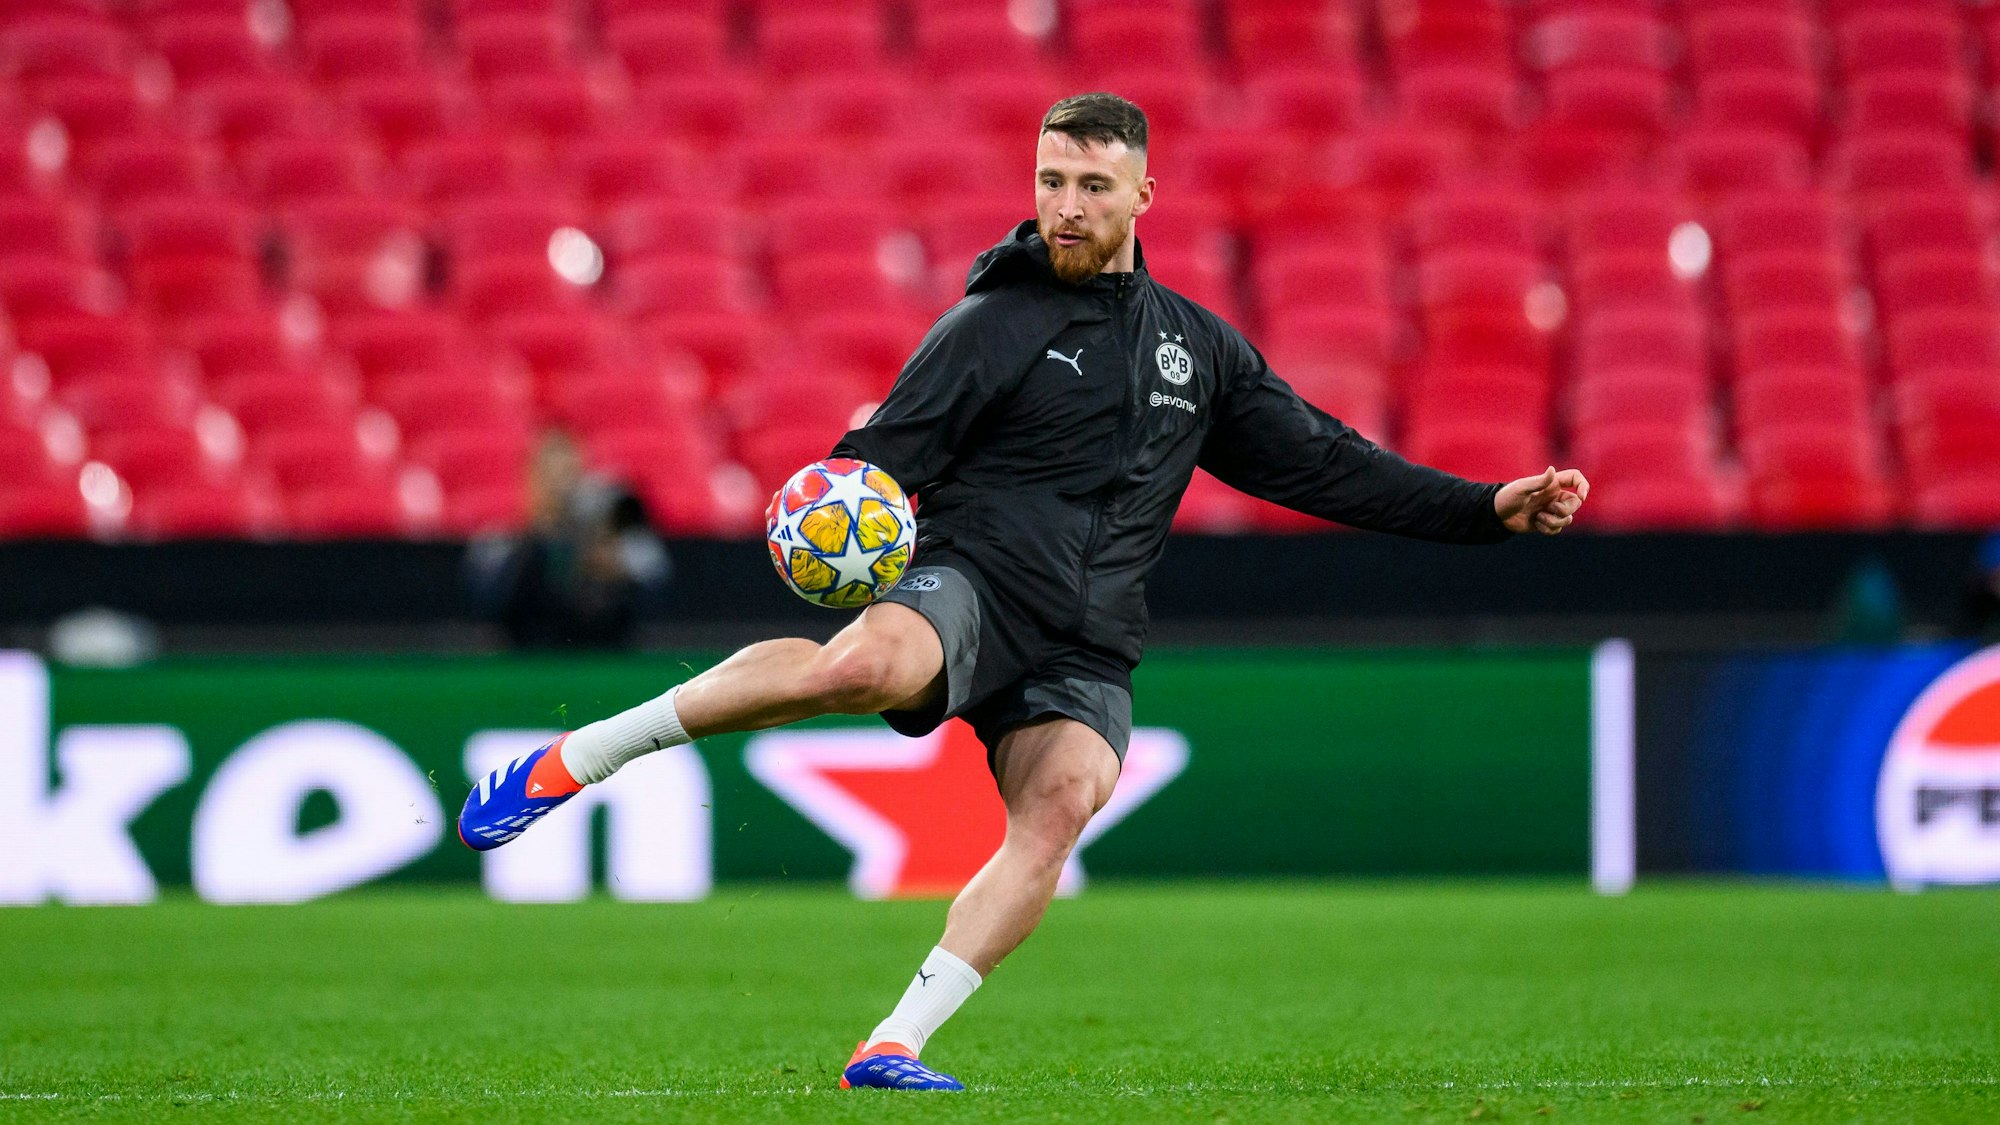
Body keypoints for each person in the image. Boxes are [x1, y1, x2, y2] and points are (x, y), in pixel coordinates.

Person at [456, 94, 1589, 1091]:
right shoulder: (992, 324)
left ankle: (889, 1044)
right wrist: (841, 499)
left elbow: (1327, 463)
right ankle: (575, 759)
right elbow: (878, 467)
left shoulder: (1196, 351)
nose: (1065, 203)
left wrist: (1483, 507)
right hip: (972, 581)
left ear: (1146, 191)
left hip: (1087, 639)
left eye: (1092, 184)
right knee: (858, 667)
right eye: (1050, 180)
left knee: (1063, 802)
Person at [463, 429, 671, 649]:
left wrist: (614, 577)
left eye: (569, 474)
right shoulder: (497, 543)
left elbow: (664, 606)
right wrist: (537, 546)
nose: (559, 488)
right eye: (549, 475)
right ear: (529, 479)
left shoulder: (618, 545)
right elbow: (488, 613)